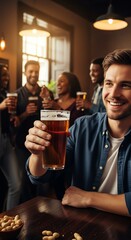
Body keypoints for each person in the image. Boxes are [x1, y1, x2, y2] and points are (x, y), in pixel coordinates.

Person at [25, 49, 131, 217]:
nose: (114, 94)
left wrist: (88, 198)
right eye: (109, 83)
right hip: (81, 227)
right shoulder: (83, 127)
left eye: (125, 85)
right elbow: (42, 176)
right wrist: (37, 154)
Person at [15, 60, 43, 203]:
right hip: (21, 144)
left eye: (36, 72)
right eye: (31, 71)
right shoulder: (17, 94)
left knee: (40, 179)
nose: (34, 74)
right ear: (25, 72)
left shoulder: (45, 93)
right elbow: (13, 122)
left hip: (41, 144)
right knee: (24, 180)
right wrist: (25, 114)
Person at [0, 65, 21, 211]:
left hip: (6, 141)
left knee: (16, 184)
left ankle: (7, 219)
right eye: (3, 75)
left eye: (7, 75)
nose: (6, 78)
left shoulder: (5, 94)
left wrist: (14, 119)